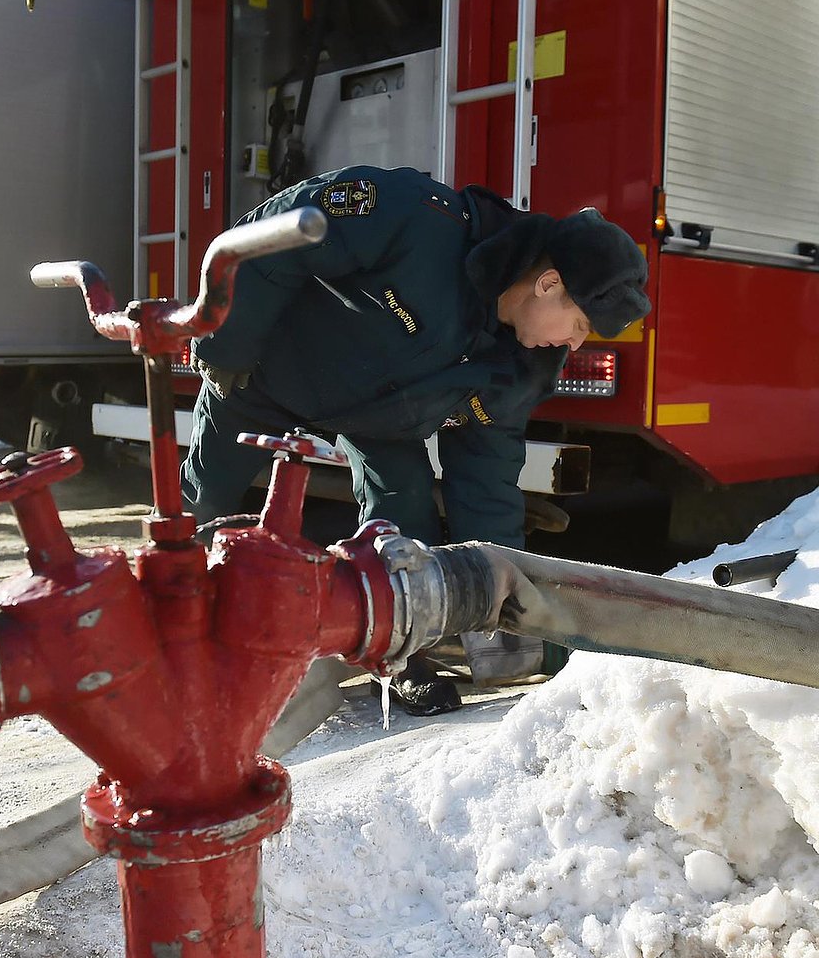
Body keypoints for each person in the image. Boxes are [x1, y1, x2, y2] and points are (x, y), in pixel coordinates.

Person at [181, 164, 651, 716]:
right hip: (267, 374)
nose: (573, 342)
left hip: (380, 420)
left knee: (402, 527)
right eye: (578, 324)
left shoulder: (525, 363)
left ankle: (406, 657)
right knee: (204, 500)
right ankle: (172, 628)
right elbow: (276, 235)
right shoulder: (414, 219)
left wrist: (508, 602)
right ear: (548, 284)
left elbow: (486, 478)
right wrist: (226, 347)